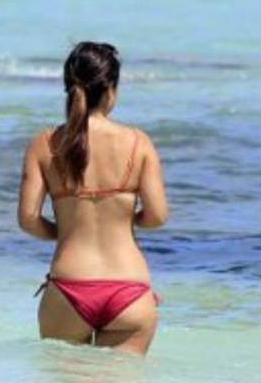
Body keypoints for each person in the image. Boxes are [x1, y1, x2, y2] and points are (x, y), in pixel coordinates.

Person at [17, 42, 168, 356]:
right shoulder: (139, 143)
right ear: (110, 91)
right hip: (129, 290)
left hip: (69, 288)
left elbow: (28, 219)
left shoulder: (43, 145)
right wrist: (125, 219)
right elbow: (156, 216)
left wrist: (66, 230)